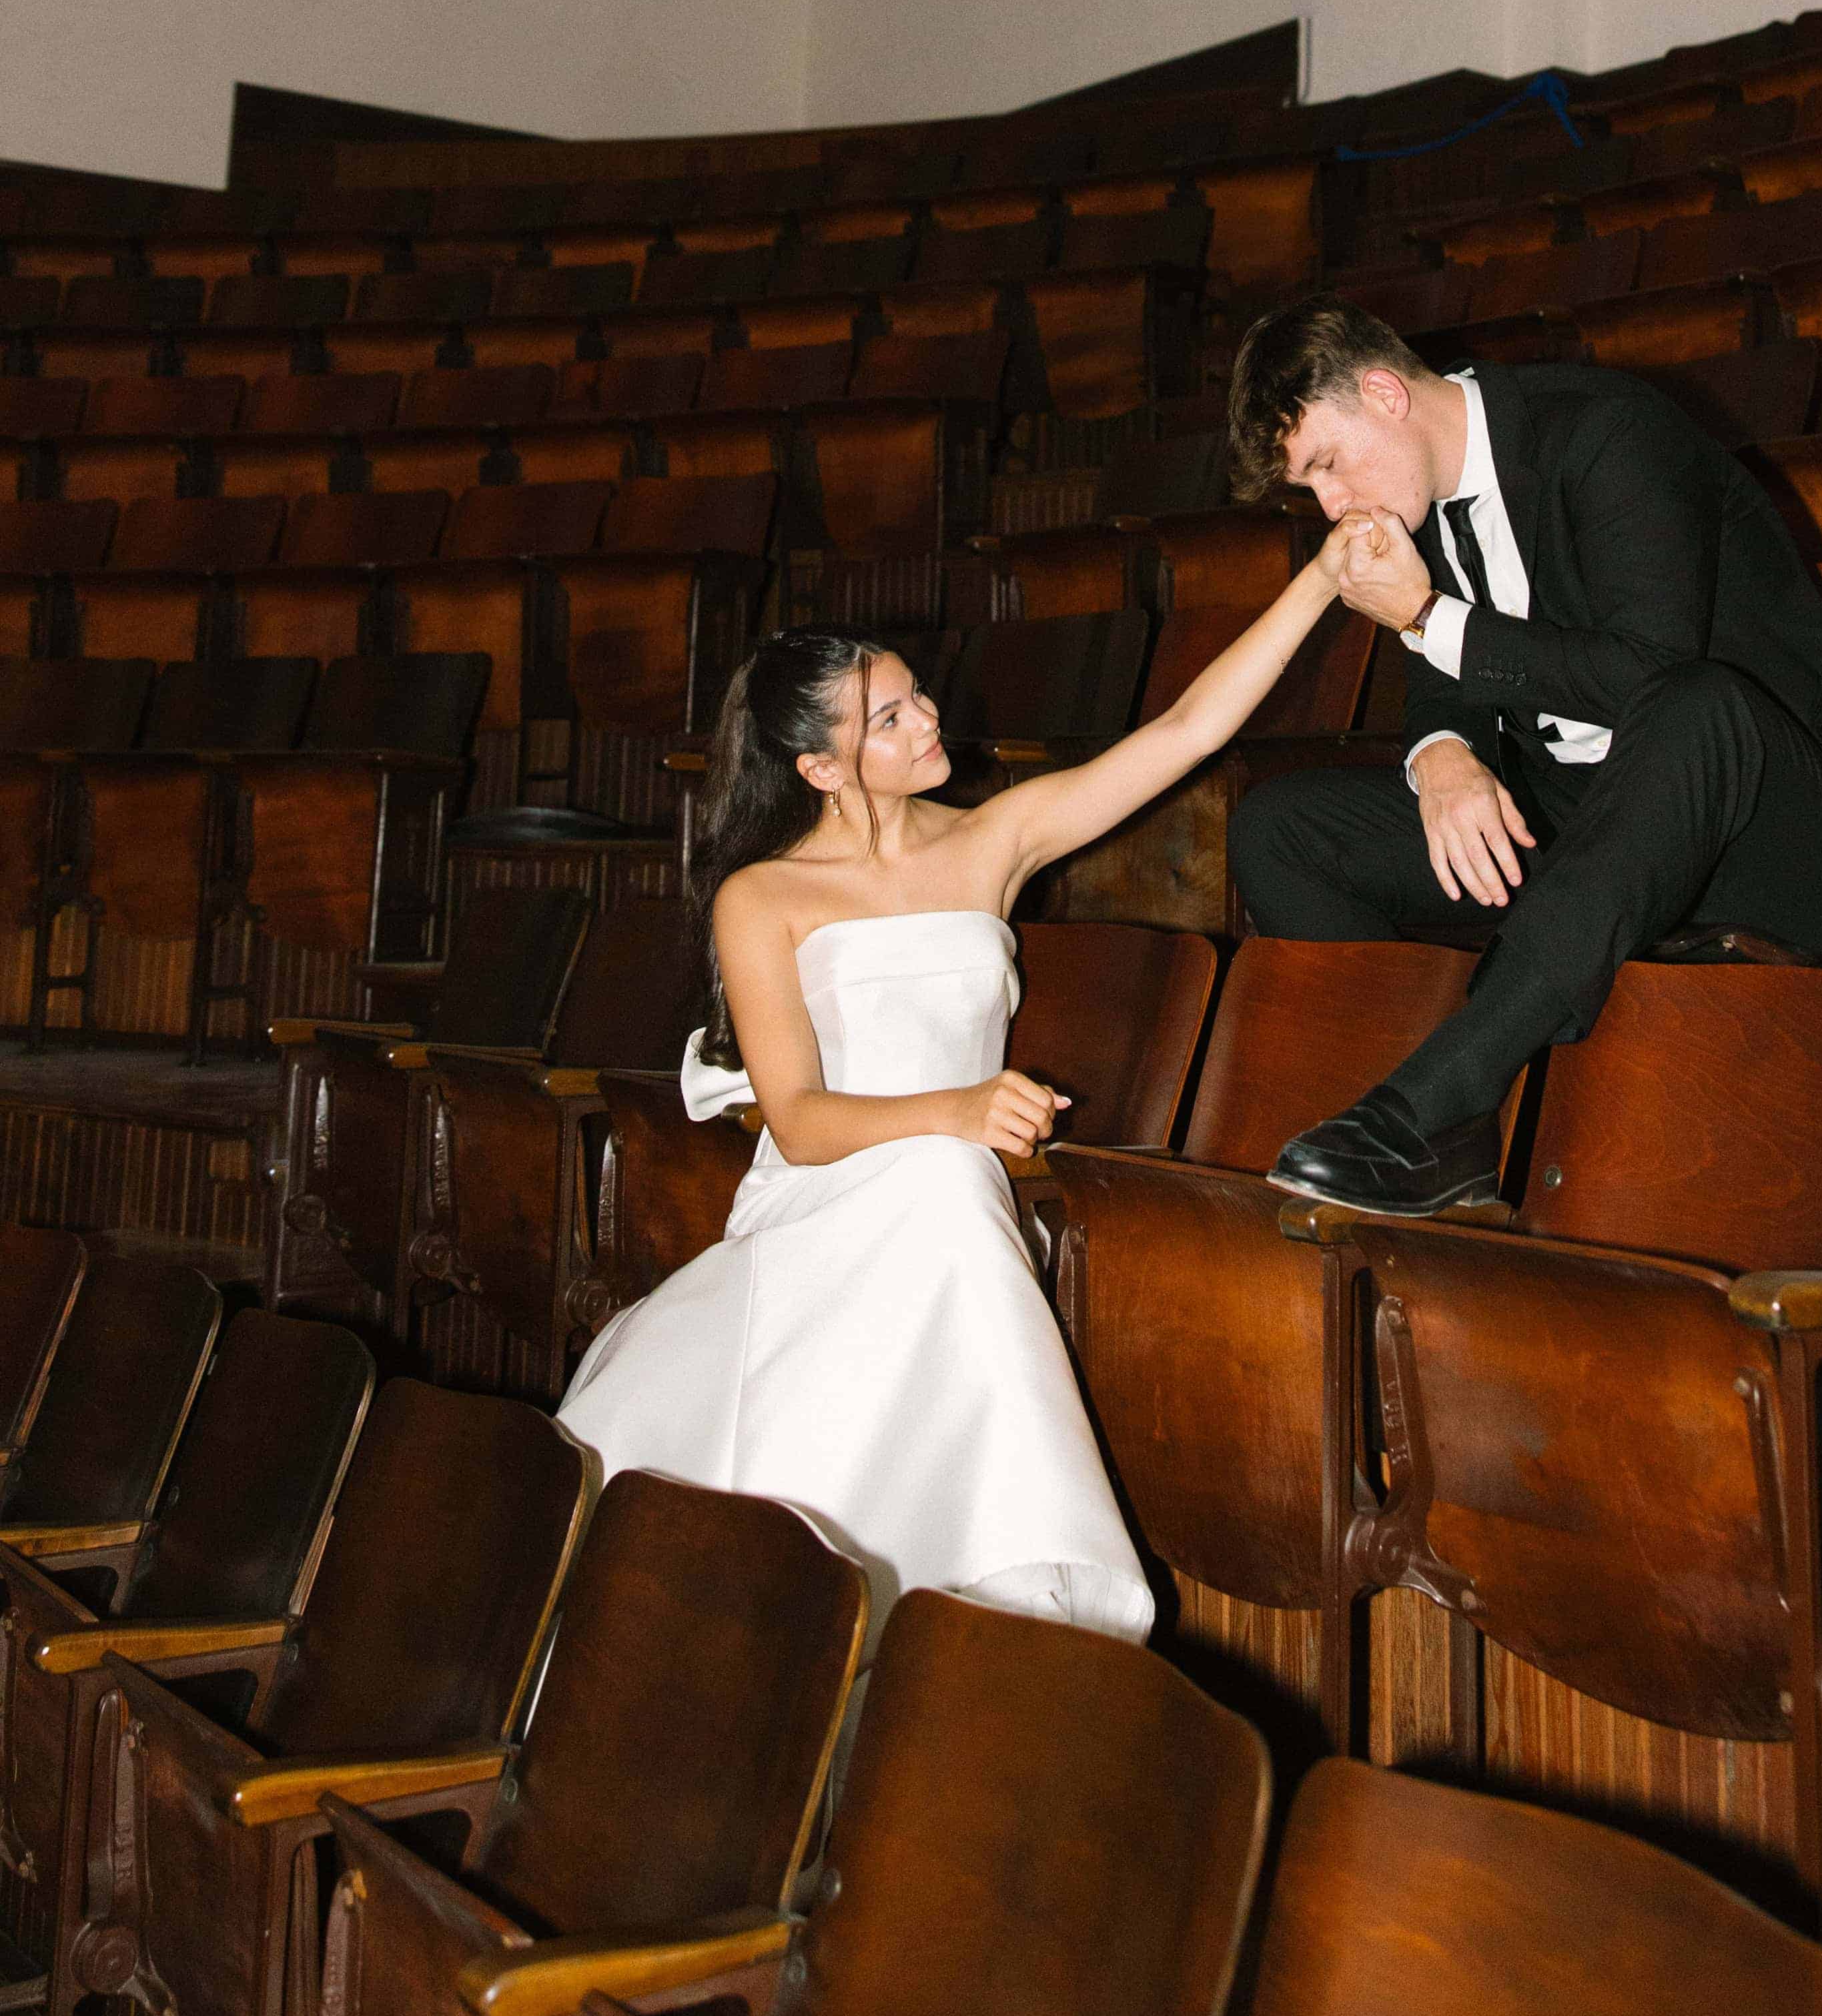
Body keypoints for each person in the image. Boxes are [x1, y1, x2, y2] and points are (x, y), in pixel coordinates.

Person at [558, 514, 1365, 1654]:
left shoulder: (991, 838)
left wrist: (1322, 578)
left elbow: (1186, 730)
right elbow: (797, 1116)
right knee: (943, 1183)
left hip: (950, 1199)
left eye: (914, 695)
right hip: (830, 1194)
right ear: (821, 768)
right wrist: (961, 1113)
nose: (929, 717)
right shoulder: (764, 897)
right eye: (888, 719)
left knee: (948, 1191)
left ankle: (989, 1618)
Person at [1225, 295, 1822, 1219]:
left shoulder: (1606, 432)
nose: (1330, 507)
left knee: (1689, 704)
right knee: (1279, 829)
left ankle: (1440, 1094)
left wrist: (1428, 617)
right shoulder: (1410, 493)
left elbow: (1648, 673)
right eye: (1307, 488)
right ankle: (1400, 1127)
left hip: (1779, 819)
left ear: (1386, 393)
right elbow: (1445, 678)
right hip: (1595, 830)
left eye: (1325, 465)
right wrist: (1443, 754)